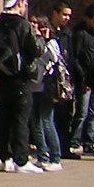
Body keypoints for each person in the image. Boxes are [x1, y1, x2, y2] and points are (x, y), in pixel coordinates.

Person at [0, 0, 38, 172]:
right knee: (21, 120)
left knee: (4, 119)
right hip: (20, 78)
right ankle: (21, 160)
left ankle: (5, 157)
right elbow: (35, 50)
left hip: (1, 79)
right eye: (24, 3)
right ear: (20, 3)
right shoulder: (23, 25)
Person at [27, 13, 65, 169]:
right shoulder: (31, 42)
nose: (37, 29)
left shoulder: (51, 43)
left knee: (47, 121)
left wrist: (46, 39)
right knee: (36, 122)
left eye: (40, 26)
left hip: (46, 87)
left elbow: (55, 59)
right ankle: (43, 156)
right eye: (33, 25)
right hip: (33, 85)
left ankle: (55, 158)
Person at [68, 6, 94, 155]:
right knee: (82, 112)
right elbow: (75, 57)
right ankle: (75, 140)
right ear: (87, 19)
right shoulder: (80, 34)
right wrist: (82, 77)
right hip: (84, 78)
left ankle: (89, 141)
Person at [46, 3, 76, 154]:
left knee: (66, 114)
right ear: (55, 13)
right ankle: (52, 148)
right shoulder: (48, 31)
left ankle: (64, 147)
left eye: (69, 16)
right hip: (51, 78)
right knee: (52, 115)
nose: (67, 18)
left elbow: (71, 56)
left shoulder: (67, 34)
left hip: (65, 79)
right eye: (64, 15)